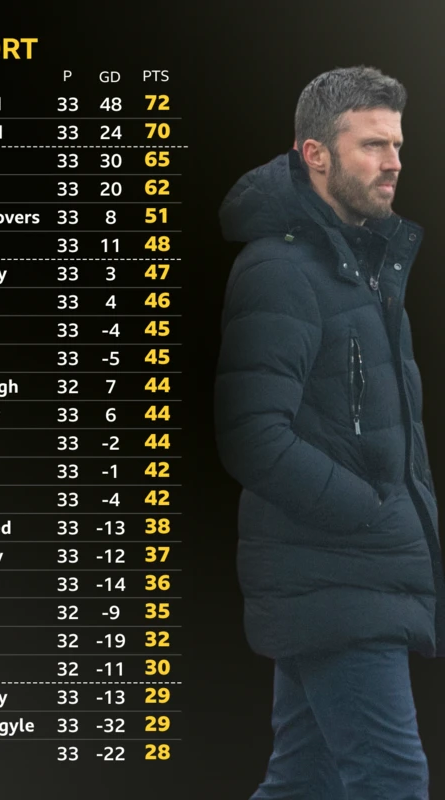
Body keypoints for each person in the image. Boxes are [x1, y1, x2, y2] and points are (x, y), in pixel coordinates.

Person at [214, 66, 445, 799]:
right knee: (392, 781)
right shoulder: (279, 270)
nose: (395, 162)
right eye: (373, 145)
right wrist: (371, 517)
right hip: (339, 576)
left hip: (349, 580)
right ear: (315, 154)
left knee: (303, 782)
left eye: (398, 145)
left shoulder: (365, 274)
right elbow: (252, 434)